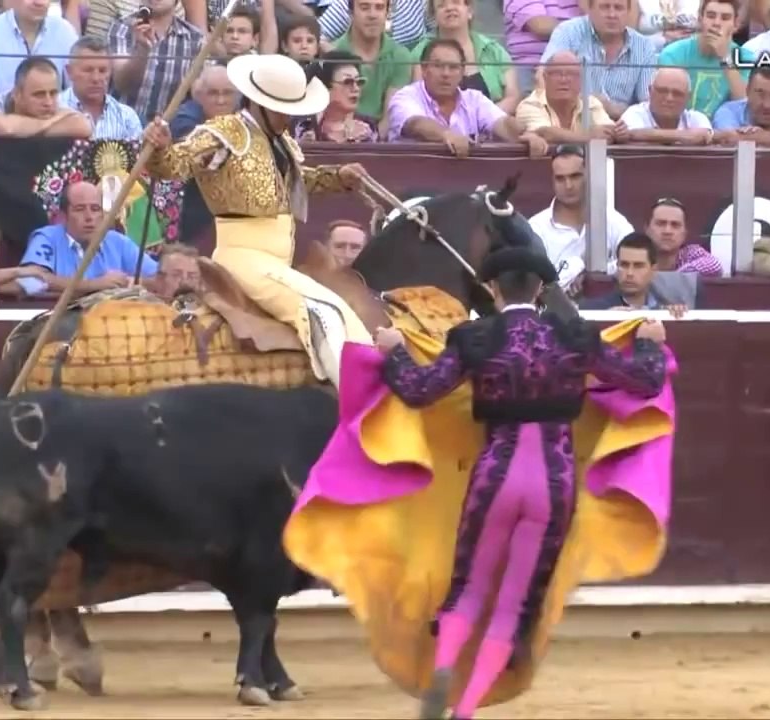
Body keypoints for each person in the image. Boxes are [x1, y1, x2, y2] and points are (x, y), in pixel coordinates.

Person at [372, 246, 669, 719]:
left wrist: (393, 353)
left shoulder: (475, 337)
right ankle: (466, 711)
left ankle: (444, 670)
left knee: (468, 587)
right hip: (554, 481)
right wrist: (652, 339)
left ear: (491, 289)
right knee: (512, 603)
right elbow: (646, 380)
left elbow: (417, 389)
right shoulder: (574, 334)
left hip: (496, 474)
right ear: (541, 290)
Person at [141, 53, 373, 387]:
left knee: (339, 309)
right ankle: (354, 397)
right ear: (260, 103)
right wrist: (161, 149)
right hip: (242, 258)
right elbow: (174, 164)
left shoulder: (283, 142)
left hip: (276, 262)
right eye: (284, 109)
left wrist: (339, 178)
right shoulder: (226, 131)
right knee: (322, 311)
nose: (290, 117)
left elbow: (294, 183)